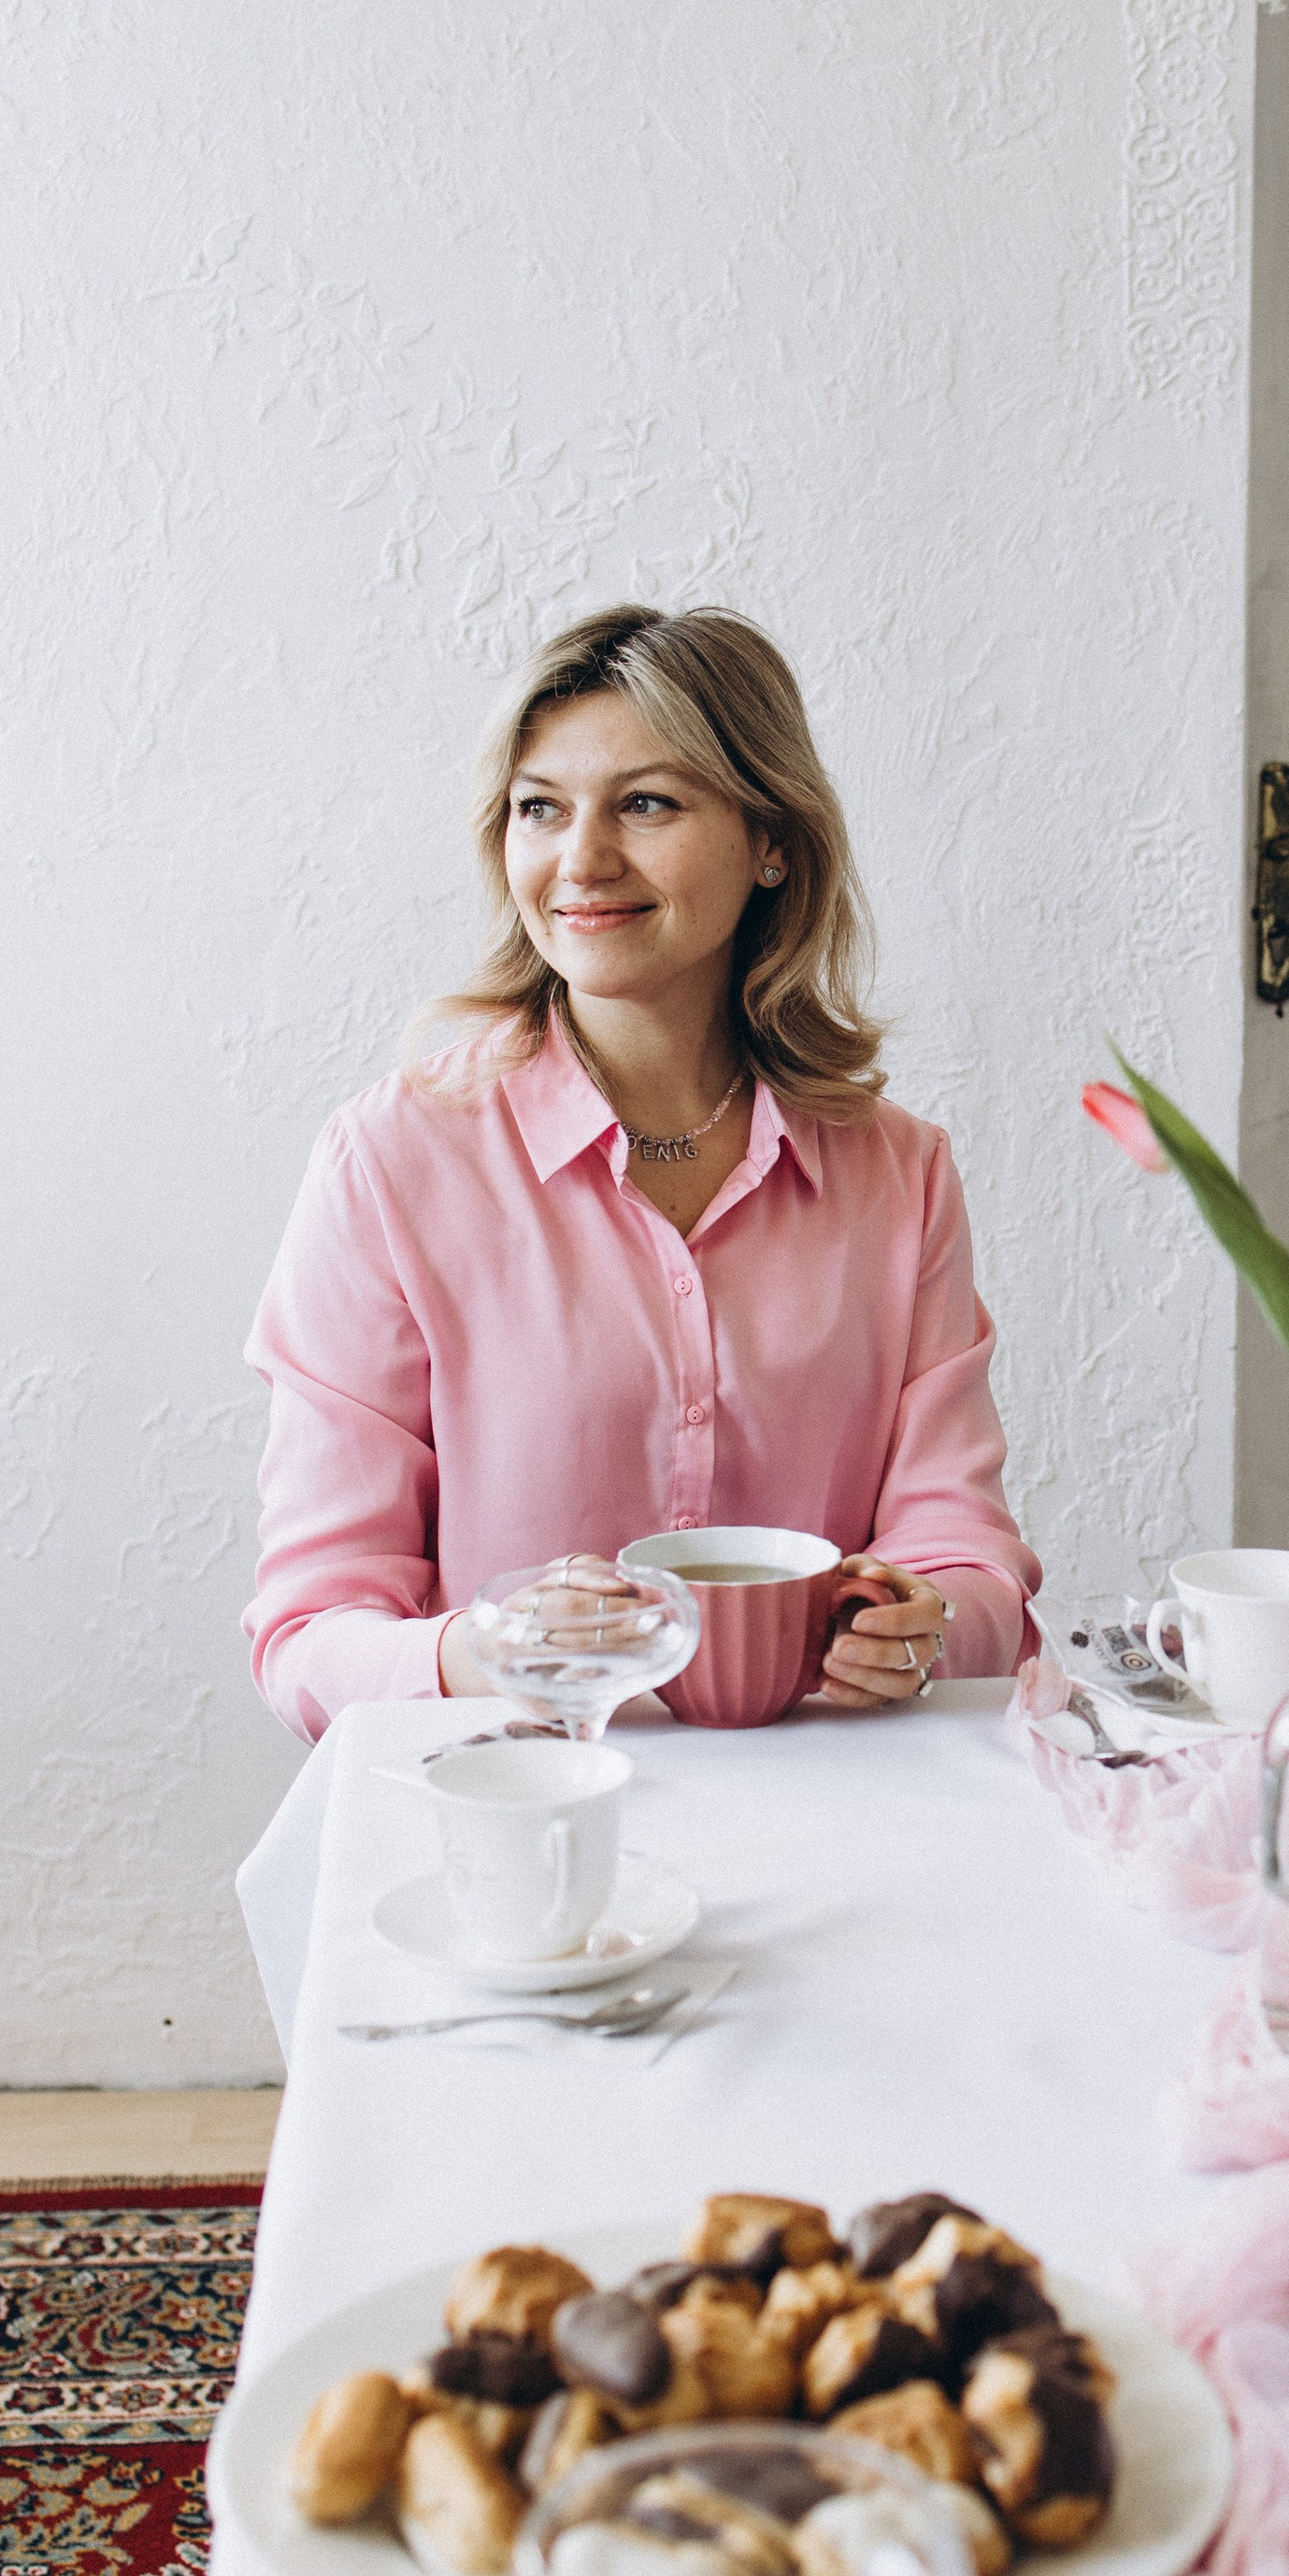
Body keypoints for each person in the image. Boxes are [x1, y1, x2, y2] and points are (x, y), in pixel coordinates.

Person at [244, 603, 1039, 1742]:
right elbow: (308, 1632)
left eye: (647, 803)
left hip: (835, 1817)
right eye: (539, 810)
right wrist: (489, 1652)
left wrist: (923, 1623)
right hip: (509, 1821)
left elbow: (968, 1566)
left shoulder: (898, 1174)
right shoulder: (391, 1163)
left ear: (772, 839)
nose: (581, 861)